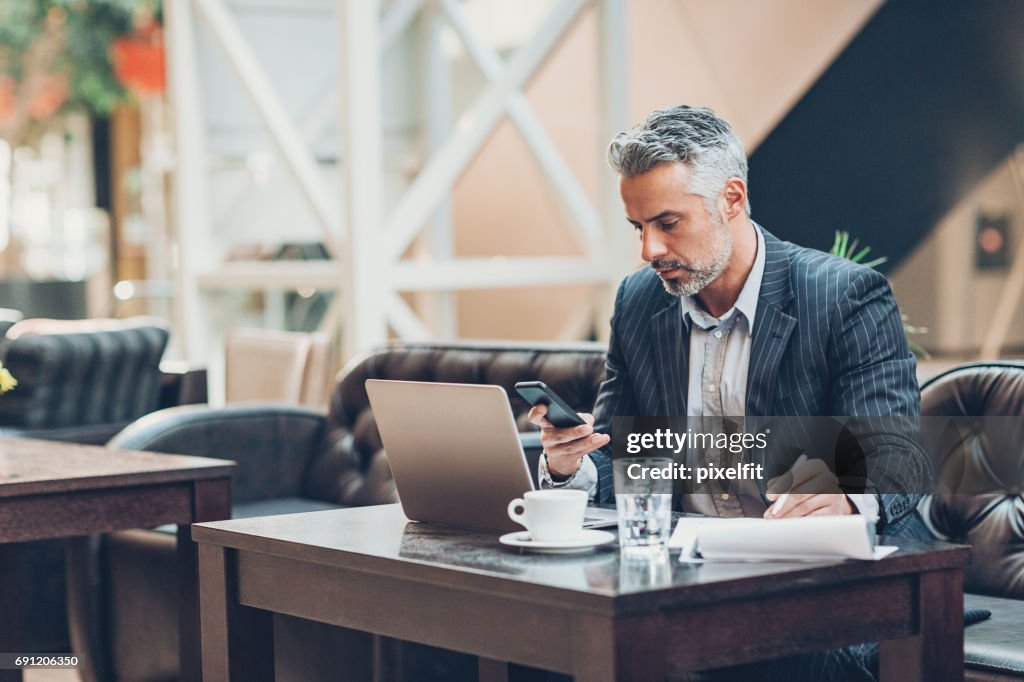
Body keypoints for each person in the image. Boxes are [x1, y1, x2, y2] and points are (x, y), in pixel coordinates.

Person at [528, 105, 931, 681]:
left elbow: (894, 456)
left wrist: (847, 496)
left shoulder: (843, 296)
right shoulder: (639, 303)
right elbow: (623, 456)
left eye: (667, 222)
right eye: (638, 228)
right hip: (683, 577)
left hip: (815, 574)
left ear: (732, 199)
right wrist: (573, 466)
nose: (649, 250)